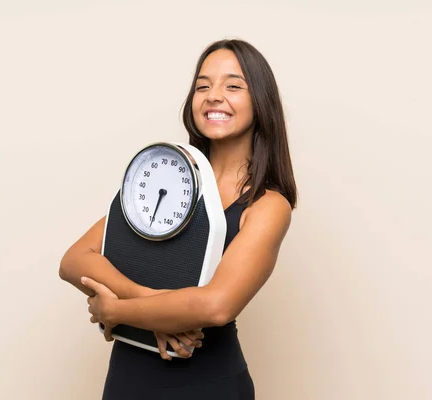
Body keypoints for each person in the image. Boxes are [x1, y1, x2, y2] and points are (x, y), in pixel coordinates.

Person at [59, 38, 297, 399]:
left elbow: (216, 306)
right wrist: (147, 307)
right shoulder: (158, 176)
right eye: (203, 86)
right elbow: (75, 260)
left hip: (208, 384)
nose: (214, 96)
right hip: (128, 379)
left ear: (260, 102)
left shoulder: (267, 204)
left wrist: (118, 309)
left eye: (233, 85)